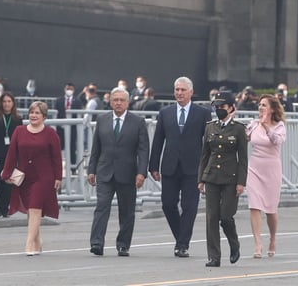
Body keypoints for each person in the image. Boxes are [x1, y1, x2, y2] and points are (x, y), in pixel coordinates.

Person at [149, 76, 212, 258]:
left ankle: (182, 244)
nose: (179, 93)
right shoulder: (165, 113)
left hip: (193, 168)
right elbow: (158, 140)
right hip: (170, 166)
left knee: (189, 206)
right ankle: (181, 237)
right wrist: (154, 165)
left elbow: (208, 142)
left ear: (191, 92)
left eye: (183, 90)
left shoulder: (202, 113)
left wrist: (207, 168)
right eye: (177, 90)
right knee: (168, 204)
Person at [88, 87, 149, 257]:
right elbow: (96, 148)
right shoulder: (102, 119)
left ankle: (123, 244)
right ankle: (97, 243)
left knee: (127, 211)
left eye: (122, 100)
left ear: (128, 102)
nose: (118, 103)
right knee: (102, 206)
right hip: (104, 171)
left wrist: (141, 172)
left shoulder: (138, 122)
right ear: (110, 101)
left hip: (128, 173)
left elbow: (143, 151)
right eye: (115, 100)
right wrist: (91, 170)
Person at [1, 101, 62, 255]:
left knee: (35, 207)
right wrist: (6, 173)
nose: (33, 115)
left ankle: (28, 243)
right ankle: (37, 240)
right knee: (31, 210)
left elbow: (56, 158)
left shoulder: (50, 134)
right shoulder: (19, 131)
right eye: (31, 112)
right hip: (25, 176)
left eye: (37, 113)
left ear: (44, 116)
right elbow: (12, 154)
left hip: (44, 177)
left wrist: (58, 177)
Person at [197, 91, 248, 267]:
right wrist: (201, 179)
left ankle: (234, 245)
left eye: (222, 107)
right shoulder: (210, 126)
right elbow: (205, 155)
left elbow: (243, 159)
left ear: (231, 108)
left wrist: (241, 182)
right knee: (211, 217)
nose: (219, 110)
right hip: (211, 176)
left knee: (226, 216)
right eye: (216, 107)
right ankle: (214, 256)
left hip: (230, 178)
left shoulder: (239, 129)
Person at [245, 94, 286, 259]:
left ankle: (272, 239)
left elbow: (277, 141)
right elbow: (243, 138)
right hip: (254, 168)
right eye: (259, 105)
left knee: (271, 210)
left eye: (264, 105)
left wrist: (267, 127)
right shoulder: (254, 125)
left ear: (272, 109)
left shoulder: (279, 126)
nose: (260, 108)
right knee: (254, 205)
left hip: (271, 170)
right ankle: (257, 243)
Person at [0, 92, 23, 217]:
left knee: (9, 182)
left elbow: (20, 138)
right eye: (4, 101)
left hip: (12, 154)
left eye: (9, 101)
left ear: (13, 103)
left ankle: (6, 208)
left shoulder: (18, 119)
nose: (7, 104)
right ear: (1, 103)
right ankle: (1, 207)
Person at [55, 83, 83, 172]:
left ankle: (73, 168)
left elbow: (79, 114)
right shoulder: (59, 100)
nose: (69, 90)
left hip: (72, 128)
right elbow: (56, 113)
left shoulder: (77, 101)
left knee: (72, 148)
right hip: (60, 128)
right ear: (64, 89)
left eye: (71, 89)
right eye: (67, 88)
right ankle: (57, 167)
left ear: (74, 90)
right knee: (58, 147)